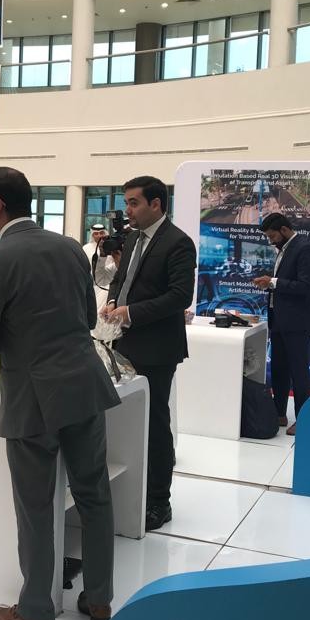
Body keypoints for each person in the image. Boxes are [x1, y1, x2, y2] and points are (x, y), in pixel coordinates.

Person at [0, 167, 120, 620]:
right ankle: (99, 598)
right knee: (94, 494)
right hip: (84, 385)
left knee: (36, 505)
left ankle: (36, 610)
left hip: (33, 398)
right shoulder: (71, 247)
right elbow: (87, 316)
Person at [103, 175, 196, 532]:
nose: (127, 209)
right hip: (123, 342)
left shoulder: (178, 242)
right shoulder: (133, 238)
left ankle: (159, 500)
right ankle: (132, 489)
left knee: (155, 422)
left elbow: (179, 296)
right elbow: (122, 278)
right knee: (127, 419)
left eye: (133, 203)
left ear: (156, 204)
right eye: (126, 202)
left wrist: (131, 312)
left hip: (157, 347)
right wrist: (113, 300)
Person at [253, 212, 310, 437]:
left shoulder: (304, 248)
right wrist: (270, 283)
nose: (270, 241)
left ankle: (304, 419)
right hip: (279, 319)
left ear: (283, 230)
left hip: (297, 322)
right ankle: (279, 413)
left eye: (272, 236)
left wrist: (273, 282)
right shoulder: (284, 249)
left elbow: (305, 287)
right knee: (279, 369)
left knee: (299, 372)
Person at [83, 223, 118, 320]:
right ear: (92, 235)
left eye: (101, 233)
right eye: (96, 233)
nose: (99, 235)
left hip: (109, 282)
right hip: (94, 283)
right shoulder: (86, 248)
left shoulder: (111, 246)